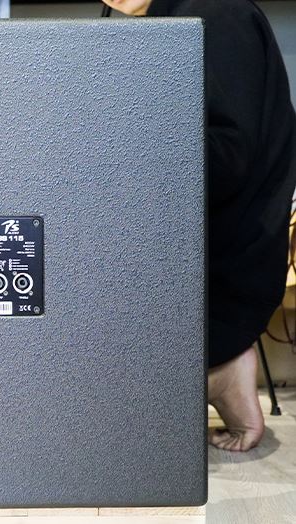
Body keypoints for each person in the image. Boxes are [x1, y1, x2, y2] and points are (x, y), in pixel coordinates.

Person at [101, 0, 296, 451]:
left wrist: (120, 151)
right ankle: (218, 370)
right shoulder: (170, 19)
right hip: (206, 238)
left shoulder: (217, 12)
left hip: (228, 248)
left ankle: (217, 367)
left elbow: (229, 153)